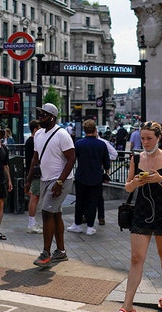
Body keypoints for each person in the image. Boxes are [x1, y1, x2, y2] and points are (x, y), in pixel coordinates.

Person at [114, 121, 162, 312]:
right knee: (136, 258)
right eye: (142, 138)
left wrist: (160, 179)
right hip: (142, 211)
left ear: (158, 138)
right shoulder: (136, 158)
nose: (145, 142)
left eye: (149, 138)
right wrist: (135, 182)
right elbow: (127, 188)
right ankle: (127, 306)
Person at [24, 103, 75, 267]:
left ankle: (46, 253)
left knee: (46, 212)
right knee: (55, 214)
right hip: (45, 179)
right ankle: (60, 251)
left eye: (43, 115)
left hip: (60, 180)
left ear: (52, 117)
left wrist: (60, 181)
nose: (40, 117)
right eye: (40, 114)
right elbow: (35, 158)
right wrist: (29, 179)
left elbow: (72, 159)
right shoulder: (38, 134)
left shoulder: (62, 134)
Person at [67, 119, 110, 236]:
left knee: (80, 201)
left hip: (81, 176)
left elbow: (73, 159)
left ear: (84, 130)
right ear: (95, 130)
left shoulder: (79, 144)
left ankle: (77, 224)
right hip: (96, 177)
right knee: (93, 202)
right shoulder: (102, 145)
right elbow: (107, 163)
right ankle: (90, 227)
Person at [25, 120, 43, 234]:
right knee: (34, 197)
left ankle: (33, 222)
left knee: (35, 197)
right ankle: (31, 224)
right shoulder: (33, 142)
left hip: (33, 173)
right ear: (35, 129)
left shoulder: (29, 141)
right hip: (36, 174)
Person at [97, 133, 118, 225]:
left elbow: (114, 154)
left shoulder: (103, 143)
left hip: (98, 172)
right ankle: (89, 216)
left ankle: (101, 217)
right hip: (92, 172)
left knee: (98, 196)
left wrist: (104, 159)